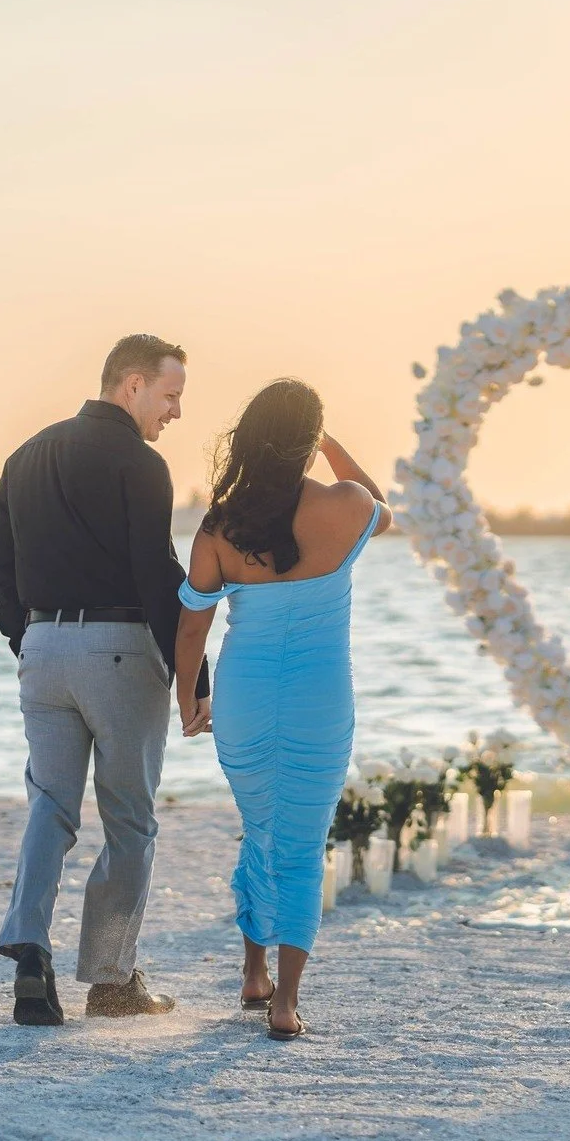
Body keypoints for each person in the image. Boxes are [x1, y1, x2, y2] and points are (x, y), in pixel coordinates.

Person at [0, 334, 210, 1026]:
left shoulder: (23, 456)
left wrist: (30, 641)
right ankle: (111, 981)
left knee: (50, 804)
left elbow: (1, 568)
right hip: (117, 648)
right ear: (132, 384)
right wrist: (194, 673)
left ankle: (30, 949)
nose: (174, 411)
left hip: (44, 649)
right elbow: (157, 570)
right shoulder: (141, 464)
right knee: (130, 820)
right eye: (171, 395)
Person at [175, 378, 390, 1040]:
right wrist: (327, 442)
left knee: (259, 828)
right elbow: (386, 505)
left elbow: (191, 628)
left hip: (242, 695)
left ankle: (252, 972)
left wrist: (190, 698)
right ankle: (285, 1004)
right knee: (300, 847)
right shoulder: (347, 506)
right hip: (319, 699)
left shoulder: (220, 523)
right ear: (307, 440)